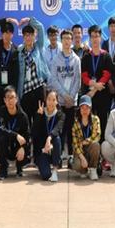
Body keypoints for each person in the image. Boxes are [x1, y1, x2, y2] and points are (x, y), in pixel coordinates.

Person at [48, 29, 81, 162]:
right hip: (60, 100)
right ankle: (60, 153)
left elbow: (78, 80)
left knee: (71, 127)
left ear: (72, 41)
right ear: (61, 41)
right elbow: (54, 79)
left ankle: (71, 154)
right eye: (65, 38)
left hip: (72, 101)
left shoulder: (76, 59)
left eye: (69, 38)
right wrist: (64, 95)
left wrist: (71, 97)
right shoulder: (56, 59)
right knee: (60, 128)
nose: (67, 41)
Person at [80, 25, 113, 140]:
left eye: (97, 36)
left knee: (103, 121)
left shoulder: (106, 56)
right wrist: (94, 85)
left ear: (101, 38)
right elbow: (84, 76)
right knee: (88, 122)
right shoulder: (86, 57)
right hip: (89, 96)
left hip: (103, 95)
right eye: (92, 36)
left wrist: (94, 90)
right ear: (89, 38)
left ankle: (102, 146)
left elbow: (107, 75)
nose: (95, 39)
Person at [0, 85, 30, 179]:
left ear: (16, 99)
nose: (10, 100)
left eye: (12, 97)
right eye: (8, 98)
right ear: (4, 100)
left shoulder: (23, 116)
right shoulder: (1, 111)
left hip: (18, 146)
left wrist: (23, 148)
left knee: (24, 142)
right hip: (6, 145)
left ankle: (19, 168)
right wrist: (16, 135)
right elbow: (0, 128)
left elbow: (27, 135)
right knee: (0, 138)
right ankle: (3, 168)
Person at [17, 17, 49, 124]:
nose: (28, 37)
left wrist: (29, 20)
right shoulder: (19, 51)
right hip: (25, 90)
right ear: (23, 37)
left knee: (39, 119)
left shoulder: (38, 47)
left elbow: (41, 28)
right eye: (26, 35)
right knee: (26, 120)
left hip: (38, 88)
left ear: (34, 36)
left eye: (31, 35)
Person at [0, 18, 20, 118]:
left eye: (9, 33)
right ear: (2, 34)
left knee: (7, 115)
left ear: (12, 35)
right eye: (5, 33)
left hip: (8, 90)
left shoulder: (15, 50)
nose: (7, 35)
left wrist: (13, 90)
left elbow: (16, 72)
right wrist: (7, 19)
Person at [32, 89, 65, 181]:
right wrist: (38, 116)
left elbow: (57, 129)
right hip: (43, 150)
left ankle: (55, 170)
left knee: (57, 139)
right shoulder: (41, 112)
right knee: (46, 175)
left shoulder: (60, 115)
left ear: (57, 102)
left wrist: (49, 138)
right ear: (45, 100)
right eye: (49, 99)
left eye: (53, 100)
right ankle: (42, 165)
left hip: (54, 148)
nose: (51, 102)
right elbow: (34, 132)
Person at [71, 95, 101, 180]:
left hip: (90, 147)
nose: (85, 110)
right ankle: (83, 171)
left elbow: (97, 136)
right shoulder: (76, 123)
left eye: (87, 107)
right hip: (80, 150)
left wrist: (86, 141)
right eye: (82, 108)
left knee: (96, 145)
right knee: (77, 165)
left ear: (90, 108)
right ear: (79, 109)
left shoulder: (95, 119)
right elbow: (75, 144)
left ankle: (93, 169)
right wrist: (82, 158)